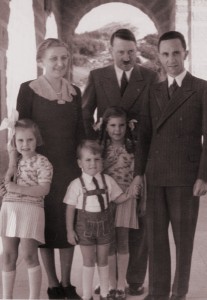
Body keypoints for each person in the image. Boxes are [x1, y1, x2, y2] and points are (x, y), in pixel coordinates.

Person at [131, 31, 207, 300]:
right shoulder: (154, 91)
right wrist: (139, 174)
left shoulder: (201, 88)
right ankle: (158, 293)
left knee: (183, 241)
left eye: (176, 52)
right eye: (165, 54)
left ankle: (179, 293)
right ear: (159, 57)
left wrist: (204, 176)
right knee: (156, 240)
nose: (171, 59)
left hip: (186, 177)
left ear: (185, 53)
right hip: (155, 174)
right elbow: (145, 136)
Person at [7, 38, 85, 299]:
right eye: (54, 58)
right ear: (41, 61)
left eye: (64, 58)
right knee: (44, 225)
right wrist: (13, 166)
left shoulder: (75, 92)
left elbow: (80, 133)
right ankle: (52, 284)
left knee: (67, 223)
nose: (60, 63)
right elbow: (20, 132)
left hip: (69, 170)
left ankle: (67, 282)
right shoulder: (28, 90)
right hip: (39, 170)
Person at [82, 28, 158, 296]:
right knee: (106, 221)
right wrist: (95, 144)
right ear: (110, 50)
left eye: (130, 51)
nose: (126, 57)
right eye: (120, 51)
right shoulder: (97, 76)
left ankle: (133, 279)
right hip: (107, 159)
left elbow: (156, 116)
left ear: (136, 50)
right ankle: (107, 280)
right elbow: (84, 114)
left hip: (139, 158)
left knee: (138, 219)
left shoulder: (149, 76)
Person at [63, 140, 137, 300]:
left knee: (103, 260)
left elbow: (117, 198)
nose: (93, 163)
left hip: (105, 228)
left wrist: (130, 194)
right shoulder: (76, 185)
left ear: (102, 162)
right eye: (88, 160)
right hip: (85, 229)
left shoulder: (108, 181)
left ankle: (105, 293)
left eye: (96, 159)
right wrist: (70, 230)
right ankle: (87, 295)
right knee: (88, 261)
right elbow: (69, 208)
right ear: (80, 163)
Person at [0, 118, 53, 299]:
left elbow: (43, 189)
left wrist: (17, 189)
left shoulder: (43, 162)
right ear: (14, 142)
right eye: (20, 140)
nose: (25, 144)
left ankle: (33, 298)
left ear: (37, 140)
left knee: (29, 255)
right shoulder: (15, 162)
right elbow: (7, 184)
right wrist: (12, 164)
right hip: (10, 208)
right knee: (7, 255)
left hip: (31, 209)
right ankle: (6, 297)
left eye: (30, 139)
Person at [99, 107, 146, 300]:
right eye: (112, 125)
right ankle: (109, 283)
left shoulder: (133, 147)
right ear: (105, 126)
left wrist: (142, 200)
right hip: (105, 200)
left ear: (127, 126)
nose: (117, 130)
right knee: (108, 243)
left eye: (120, 125)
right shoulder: (100, 147)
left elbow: (139, 175)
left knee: (123, 241)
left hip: (126, 198)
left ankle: (121, 284)